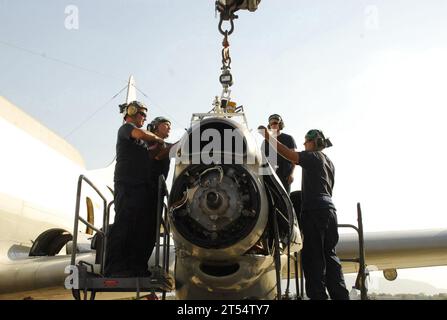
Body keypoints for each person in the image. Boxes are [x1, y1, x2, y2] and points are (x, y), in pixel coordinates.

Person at [258, 126, 349, 300]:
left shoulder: (313, 157)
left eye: (306, 141)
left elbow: (290, 155)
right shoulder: (329, 162)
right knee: (330, 257)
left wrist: (269, 138)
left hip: (314, 211)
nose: (304, 144)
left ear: (314, 142)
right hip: (330, 211)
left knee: (313, 258)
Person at [104, 101, 165, 278]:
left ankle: (132, 267)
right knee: (124, 223)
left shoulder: (141, 142)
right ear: (131, 112)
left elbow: (153, 155)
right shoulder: (126, 128)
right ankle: (113, 267)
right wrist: (158, 139)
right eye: (142, 114)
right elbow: (139, 133)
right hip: (127, 183)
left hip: (138, 186)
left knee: (137, 227)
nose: (145, 118)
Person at [262, 114, 297, 193]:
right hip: (271, 176)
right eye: (271, 124)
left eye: (275, 123)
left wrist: (291, 174)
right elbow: (263, 160)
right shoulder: (265, 142)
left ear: (280, 124)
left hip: (285, 176)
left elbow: (294, 158)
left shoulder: (288, 138)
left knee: (285, 199)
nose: (273, 125)